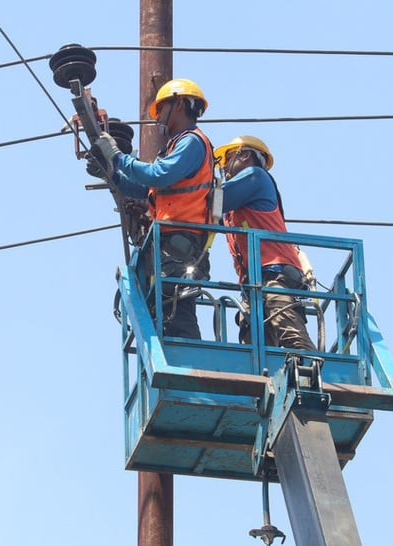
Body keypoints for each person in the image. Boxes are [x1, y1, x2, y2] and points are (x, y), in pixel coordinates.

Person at [92, 78, 215, 340]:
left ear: (180, 104)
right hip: (169, 244)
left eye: (162, 108)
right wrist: (111, 175)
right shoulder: (175, 147)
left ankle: (187, 357)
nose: (158, 116)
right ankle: (181, 354)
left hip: (181, 242)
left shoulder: (193, 142)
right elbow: (144, 189)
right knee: (166, 311)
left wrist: (118, 157)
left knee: (177, 308)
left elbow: (157, 175)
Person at [215, 135, 317, 351]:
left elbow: (211, 201)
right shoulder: (233, 206)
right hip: (254, 283)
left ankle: (310, 370)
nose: (223, 168)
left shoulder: (255, 177)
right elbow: (208, 211)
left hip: (275, 273)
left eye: (228, 159)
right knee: (253, 345)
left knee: (289, 331)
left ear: (245, 155)